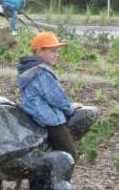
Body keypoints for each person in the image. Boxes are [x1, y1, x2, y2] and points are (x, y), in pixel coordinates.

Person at [16, 31, 79, 159]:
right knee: (69, 156)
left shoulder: (28, 69)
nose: (57, 55)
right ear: (39, 51)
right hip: (49, 120)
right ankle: (58, 179)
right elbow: (56, 97)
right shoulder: (41, 72)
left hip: (34, 116)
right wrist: (71, 107)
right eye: (53, 51)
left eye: (57, 51)